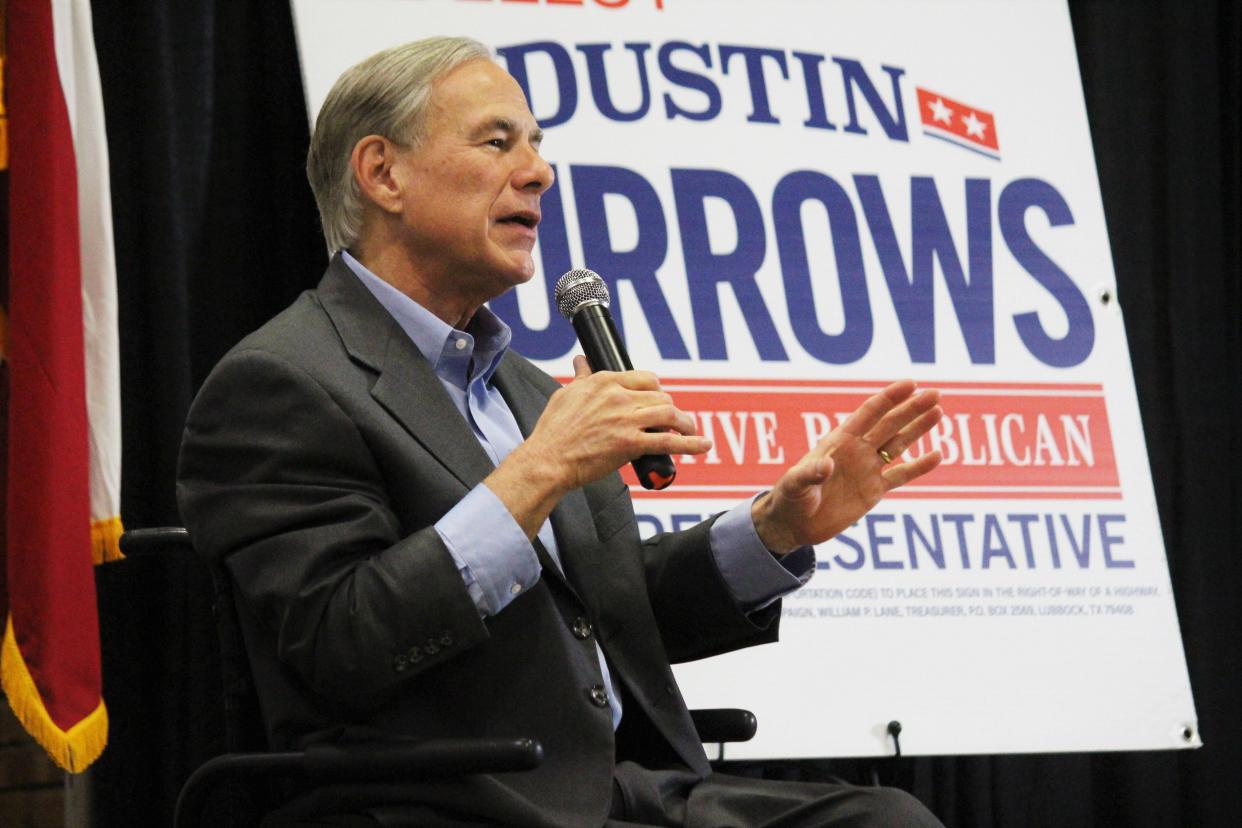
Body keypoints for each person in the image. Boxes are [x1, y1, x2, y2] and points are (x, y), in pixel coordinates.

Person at [177, 36, 946, 828]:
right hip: (446, 800)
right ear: (383, 173)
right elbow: (339, 645)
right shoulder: (283, 382)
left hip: (628, 788)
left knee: (889, 819)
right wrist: (537, 471)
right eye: (497, 141)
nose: (540, 171)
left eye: (538, 145)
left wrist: (771, 532)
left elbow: (598, 614)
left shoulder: (525, 388)